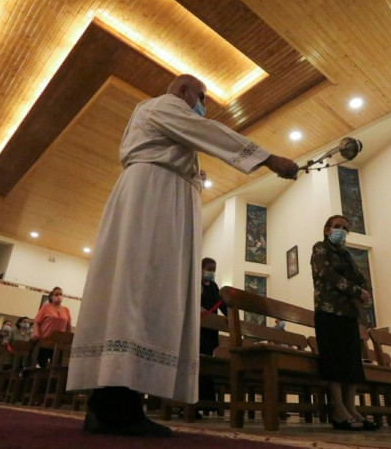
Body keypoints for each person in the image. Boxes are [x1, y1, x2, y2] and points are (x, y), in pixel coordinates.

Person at [66, 74, 298, 438]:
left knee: (147, 292)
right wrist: (269, 158)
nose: (202, 105)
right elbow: (206, 131)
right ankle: (115, 405)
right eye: (201, 97)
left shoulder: (161, 123)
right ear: (182, 91)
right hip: (153, 197)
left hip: (162, 195)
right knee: (141, 289)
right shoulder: (162, 105)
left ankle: (111, 404)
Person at [311, 215, 378, 431]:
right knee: (334, 360)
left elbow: (361, 279)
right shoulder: (320, 248)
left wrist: (362, 291)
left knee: (351, 363)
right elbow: (326, 274)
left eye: (345, 228)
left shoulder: (346, 255)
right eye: (338, 227)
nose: (342, 230)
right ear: (327, 230)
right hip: (328, 312)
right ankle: (339, 411)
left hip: (348, 314)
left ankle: (351, 408)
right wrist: (356, 291)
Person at [198, 257, 227, 418]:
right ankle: (194, 403)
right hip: (199, 331)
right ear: (201, 269)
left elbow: (222, 304)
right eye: (209, 269)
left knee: (208, 366)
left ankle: (208, 404)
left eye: (214, 270)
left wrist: (231, 317)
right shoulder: (196, 284)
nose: (211, 272)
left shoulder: (214, 286)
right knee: (198, 366)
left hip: (210, 333)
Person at [33, 287, 72, 368]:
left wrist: (69, 339)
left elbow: (68, 325)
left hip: (60, 343)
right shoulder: (46, 307)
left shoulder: (66, 310)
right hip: (45, 341)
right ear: (51, 296)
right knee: (41, 365)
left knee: (58, 366)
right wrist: (36, 333)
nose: (59, 296)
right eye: (56, 294)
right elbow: (37, 322)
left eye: (60, 294)